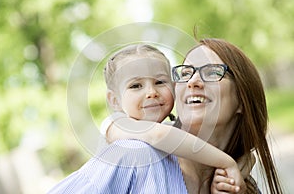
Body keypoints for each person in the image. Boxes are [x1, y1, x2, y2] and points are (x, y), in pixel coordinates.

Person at [47, 44, 245, 193]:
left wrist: (246, 161)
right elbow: (159, 136)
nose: (151, 92)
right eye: (135, 86)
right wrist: (227, 163)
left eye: (160, 82)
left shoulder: (173, 140)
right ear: (114, 100)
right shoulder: (119, 126)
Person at [106, 39, 284, 193]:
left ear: (242, 99)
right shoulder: (133, 156)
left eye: (213, 72)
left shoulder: (241, 184)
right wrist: (227, 162)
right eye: (185, 73)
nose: (192, 82)